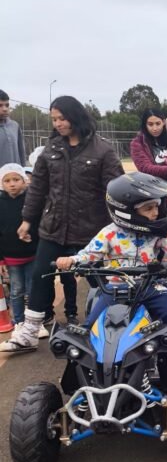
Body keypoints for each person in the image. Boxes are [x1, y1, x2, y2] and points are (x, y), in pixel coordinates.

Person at [2, 96, 123, 353]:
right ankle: (30, 331)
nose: (58, 124)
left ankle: (116, 325)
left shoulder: (102, 150)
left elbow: (116, 188)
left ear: (75, 116)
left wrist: (119, 224)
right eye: (54, 119)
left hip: (91, 230)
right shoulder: (51, 149)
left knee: (100, 279)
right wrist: (27, 220)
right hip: (54, 228)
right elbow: (38, 188)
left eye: (62, 118)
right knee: (40, 276)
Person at [56, 173, 167, 327]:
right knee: (91, 325)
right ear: (127, 211)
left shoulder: (159, 231)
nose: (156, 212)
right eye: (148, 208)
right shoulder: (109, 233)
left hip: (150, 285)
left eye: (156, 206)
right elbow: (90, 254)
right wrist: (72, 260)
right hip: (115, 288)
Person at [0, 164, 40, 336]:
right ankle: (19, 321)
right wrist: (1, 260)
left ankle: (34, 322)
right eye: (7, 180)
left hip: (32, 254)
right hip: (11, 257)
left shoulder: (32, 201)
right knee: (16, 290)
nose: (12, 184)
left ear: (24, 181)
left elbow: (39, 224)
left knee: (33, 290)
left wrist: (32, 236)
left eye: (16, 179)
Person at [130, 109, 167, 179]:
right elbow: (145, 168)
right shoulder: (137, 143)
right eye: (150, 124)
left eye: (158, 123)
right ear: (145, 124)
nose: (155, 128)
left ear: (164, 122)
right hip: (152, 183)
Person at [0, 90, 26, 166]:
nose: (5, 109)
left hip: (15, 172)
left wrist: (23, 169)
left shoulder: (15, 126)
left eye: (7, 105)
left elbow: (21, 153)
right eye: (0, 106)